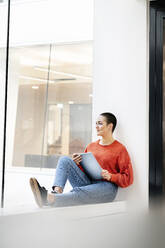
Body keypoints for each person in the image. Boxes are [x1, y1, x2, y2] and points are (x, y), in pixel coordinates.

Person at [30, 112, 133, 208]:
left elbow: (128, 178)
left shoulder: (120, 149)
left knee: (81, 191)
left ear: (110, 126)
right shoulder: (91, 146)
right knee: (64, 160)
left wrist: (111, 176)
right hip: (88, 183)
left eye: (100, 124)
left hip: (106, 188)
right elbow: (85, 171)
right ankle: (56, 192)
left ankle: (49, 198)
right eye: (96, 123)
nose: (96, 126)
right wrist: (77, 163)